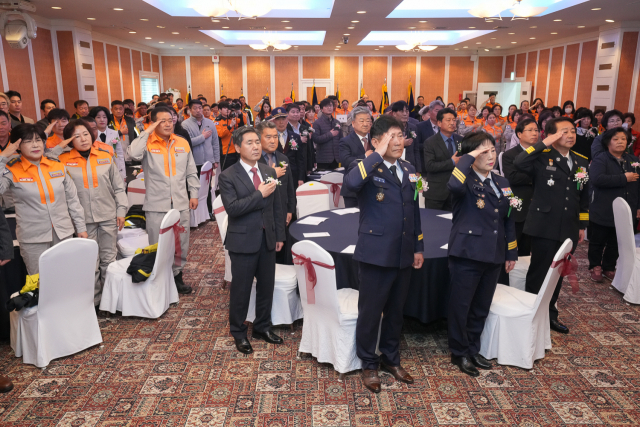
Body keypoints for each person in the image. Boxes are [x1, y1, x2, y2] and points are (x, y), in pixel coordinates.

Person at [343, 114, 423, 393]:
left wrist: (418, 246)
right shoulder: (365, 166)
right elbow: (350, 185)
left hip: (403, 251)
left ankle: (391, 358)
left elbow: (414, 210)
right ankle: (369, 363)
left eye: (401, 135)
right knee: (370, 312)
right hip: (375, 253)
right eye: (391, 137)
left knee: (396, 311)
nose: (398, 141)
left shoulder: (409, 168)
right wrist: (375, 153)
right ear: (376, 141)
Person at [447, 132, 517, 377]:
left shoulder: (502, 182)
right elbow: (453, 185)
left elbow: (508, 219)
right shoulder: (463, 180)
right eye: (483, 151)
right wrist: (468, 156)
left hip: (494, 252)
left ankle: (473, 348)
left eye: (493, 150)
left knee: (481, 306)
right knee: (461, 306)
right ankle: (459, 352)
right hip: (467, 253)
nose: (490, 156)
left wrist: (511, 252)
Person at [514, 117, 589, 334]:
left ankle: (550, 315)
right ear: (552, 135)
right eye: (564, 131)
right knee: (539, 272)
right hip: (544, 224)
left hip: (569, 226)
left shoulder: (581, 161)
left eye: (572, 131)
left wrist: (582, 224)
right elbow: (518, 162)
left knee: (558, 273)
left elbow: (583, 195)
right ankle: (531, 315)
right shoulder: (541, 156)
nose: (570, 135)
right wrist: (544, 143)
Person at [219, 126, 285, 354]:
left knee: (267, 287)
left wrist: (278, 235)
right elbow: (233, 208)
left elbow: (276, 206)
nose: (256, 146)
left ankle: (262, 327)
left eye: (257, 142)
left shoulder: (268, 171)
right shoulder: (228, 175)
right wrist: (259, 194)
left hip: (267, 238)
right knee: (241, 290)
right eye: (250, 143)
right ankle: (238, 333)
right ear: (238, 147)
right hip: (243, 241)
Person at [127, 106, 200, 294]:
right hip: (156, 205)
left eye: (170, 120)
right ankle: (159, 278)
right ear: (153, 123)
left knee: (181, 243)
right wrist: (147, 131)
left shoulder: (182, 142)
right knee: (157, 244)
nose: (168, 124)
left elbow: (191, 171)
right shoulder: (147, 143)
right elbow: (132, 154)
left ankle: (177, 276)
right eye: (162, 121)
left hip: (180, 203)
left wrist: (193, 193)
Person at [56, 119, 127, 306]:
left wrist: (121, 210)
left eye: (86, 134)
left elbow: (118, 187)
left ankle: (110, 300)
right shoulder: (62, 160)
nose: (83, 139)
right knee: (89, 262)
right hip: (82, 221)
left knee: (109, 259)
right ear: (69, 140)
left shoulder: (105, 156)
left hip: (108, 215)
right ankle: (94, 302)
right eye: (76, 136)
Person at [0, 124, 87, 275]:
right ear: (17, 146)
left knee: (67, 276)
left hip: (63, 233)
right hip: (33, 238)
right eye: (28, 141)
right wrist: (2, 158)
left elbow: (73, 200)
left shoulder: (57, 166)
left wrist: (81, 228)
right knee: (40, 282)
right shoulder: (11, 169)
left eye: (38, 140)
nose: (35, 145)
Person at [588, 128, 640, 282]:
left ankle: (609, 267)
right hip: (604, 207)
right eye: (616, 139)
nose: (620, 142)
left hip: (627, 208)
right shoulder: (600, 159)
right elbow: (597, 179)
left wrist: (638, 206)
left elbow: (638, 185)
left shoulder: (633, 160)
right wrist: (623, 178)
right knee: (598, 240)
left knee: (617, 241)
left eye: (623, 139)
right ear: (608, 142)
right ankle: (595, 266)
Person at [256, 120, 295, 264]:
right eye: (268, 137)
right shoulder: (254, 160)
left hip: (281, 213)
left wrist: (290, 210)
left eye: (275, 137)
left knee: (281, 251)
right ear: (258, 138)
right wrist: (272, 174)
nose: (273, 141)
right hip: (262, 215)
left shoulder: (283, 158)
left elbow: (290, 187)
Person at [502, 118, 537, 256]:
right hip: (519, 205)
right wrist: (536, 176)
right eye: (530, 130)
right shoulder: (509, 155)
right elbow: (513, 178)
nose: (534, 133)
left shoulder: (543, 153)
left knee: (529, 250)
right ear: (519, 134)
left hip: (538, 206)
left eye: (536, 130)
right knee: (512, 247)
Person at [181, 99, 219, 216]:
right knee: (194, 188)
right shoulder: (185, 124)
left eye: (200, 108)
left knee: (207, 188)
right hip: (194, 162)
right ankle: (194, 215)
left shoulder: (210, 123)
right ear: (190, 110)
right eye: (195, 108)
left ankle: (209, 212)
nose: (198, 110)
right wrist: (202, 137)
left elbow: (215, 142)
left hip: (208, 161)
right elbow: (187, 143)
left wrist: (216, 160)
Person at [423, 108, 463, 211]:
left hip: (455, 192)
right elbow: (429, 166)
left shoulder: (460, 140)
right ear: (439, 123)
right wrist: (452, 162)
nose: (452, 123)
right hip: (436, 193)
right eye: (448, 120)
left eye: (454, 120)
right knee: (433, 220)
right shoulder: (430, 142)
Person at [339, 106, 373, 208]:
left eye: (368, 121)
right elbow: (346, 161)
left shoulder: (376, 140)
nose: (365, 124)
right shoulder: (345, 141)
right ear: (353, 123)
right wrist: (365, 157)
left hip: (373, 189)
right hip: (353, 191)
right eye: (361, 121)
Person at [270, 106, 306, 187]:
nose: (281, 122)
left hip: (293, 175)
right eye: (278, 119)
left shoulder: (295, 137)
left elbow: (300, 159)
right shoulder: (270, 138)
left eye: (283, 119)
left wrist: (301, 178)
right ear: (273, 121)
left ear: (287, 120)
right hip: (276, 174)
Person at [89, 106, 126, 179]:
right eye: (98, 117)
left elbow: (119, 154)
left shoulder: (114, 133)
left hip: (113, 168)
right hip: (97, 169)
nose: (102, 120)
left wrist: (123, 173)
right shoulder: (90, 134)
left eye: (104, 117)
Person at [390, 101, 421, 173]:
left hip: (410, 166)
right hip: (395, 166)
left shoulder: (413, 127)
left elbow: (416, 150)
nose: (405, 114)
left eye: (407, 111)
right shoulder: (389, 128)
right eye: (401, 111)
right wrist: (402, 144)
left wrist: (418, 170)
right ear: (394, 113)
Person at [415, 99, 445, 172]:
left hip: (443, 167)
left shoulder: (445, 127)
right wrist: (431, 146)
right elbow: (416, 146)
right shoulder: (420, 126)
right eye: (437, 111)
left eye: (441, 111)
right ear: (429, 112)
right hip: (426, 166)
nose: (439, 113)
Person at [313, 98, 341, 170]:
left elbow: (341, 139)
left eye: (331, 105)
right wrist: (330, 134)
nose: (329, 108)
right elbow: (316, 139)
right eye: (326, 106)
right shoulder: (317, 123)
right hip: (323, 159)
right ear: (322, 109)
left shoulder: (337, 122)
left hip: (336, 158)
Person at [215, 101, 240, 170]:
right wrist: (230, 126)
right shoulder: (217, 121)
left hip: (236, 150)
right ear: (220, 110)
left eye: (228, 108)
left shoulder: (231, 119)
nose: (227, 110)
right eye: (225, 108)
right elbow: (221, 134)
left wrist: (238, 112)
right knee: (227, 172)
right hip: (226, 152)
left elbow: (243, 122)